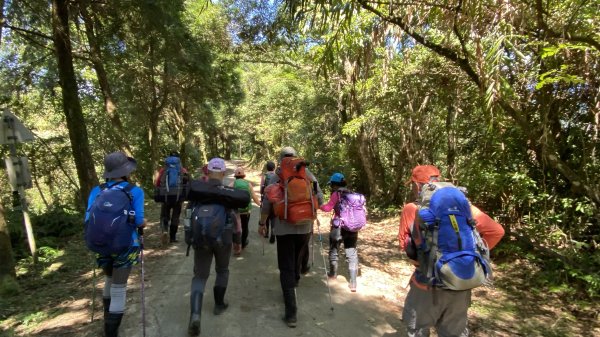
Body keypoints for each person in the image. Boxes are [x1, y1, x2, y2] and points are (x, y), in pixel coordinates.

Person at [398, 165, 505, 337]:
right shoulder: (464, 207)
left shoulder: (413, 208)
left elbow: (407, 247)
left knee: (417, 329)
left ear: (418, 185)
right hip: (461, 280)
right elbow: (497, 231)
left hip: (426, 285)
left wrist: (427, 260)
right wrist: (470, 255)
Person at [258, 146, 323, 328]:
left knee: (285, 266)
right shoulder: (308, 174)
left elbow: (266, 204)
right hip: (305, 226)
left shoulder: (275, 176)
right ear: (296, 158)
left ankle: (291, 313)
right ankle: (295, 280)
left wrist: (262, 224)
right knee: (297, 258)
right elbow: (320, 198)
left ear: (280, 159)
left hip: (283, 228)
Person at [85, 152, 146, 337]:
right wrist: (141, 224)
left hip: (100, 244)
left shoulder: (97, 190)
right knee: (119, 287)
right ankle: (111, 331)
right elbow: (139, 221)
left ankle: (106, 319)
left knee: (109, 280)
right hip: (125, 245)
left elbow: (87, 218)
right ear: (126, 171)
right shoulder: (134, 191)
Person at [187, 157, 242, 336]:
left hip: (201, 238)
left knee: (200, 276)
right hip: (223, 237)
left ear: (207, 172)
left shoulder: (197, 190)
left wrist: (189, 237)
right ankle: (219, 304)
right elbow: (235, 218)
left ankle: (195, 315)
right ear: (224, 173)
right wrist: (237, 239)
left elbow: (188, 215)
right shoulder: (227, 192)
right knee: (222, 270)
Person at [319, 172, 361, 292]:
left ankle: (332, 275)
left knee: (334, 250)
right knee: (351, 253)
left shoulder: (336, 194)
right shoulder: (352, 194)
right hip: (352, 228)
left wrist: (319, 205)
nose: (331, 187)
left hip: (338, 227)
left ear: (334, 184)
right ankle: (353, 282)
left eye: (331, 185)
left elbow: (327, 208)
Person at [154, 151, 189, 244]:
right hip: (178, 197)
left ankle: (165, 230)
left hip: (165, 196)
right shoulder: (183, 170)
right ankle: (173, 237)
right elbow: (187, 184)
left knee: (164, 214)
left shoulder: (163, 170)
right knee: (175, 217)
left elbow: (157, 183)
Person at [230, 167, 261, 252]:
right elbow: (254, 196)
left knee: (236, 227)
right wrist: (260, 204)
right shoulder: (248, 184)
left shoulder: (232, 184)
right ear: (244, 176)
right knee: (245, 227)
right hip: (246, 211)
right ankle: (243, 243)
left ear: (235, 176)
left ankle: (236, 245)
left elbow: (227, 195)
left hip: (236, 211)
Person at [260, 161, 277, 243]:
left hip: (266, 197)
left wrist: (261, 194)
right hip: (275, 198)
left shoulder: (265, 176)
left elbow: (261, 187)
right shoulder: (277, 176)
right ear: (274, 168)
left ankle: (266, 233)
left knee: (266, 215)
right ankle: (273, 232)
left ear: (267, 168)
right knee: (273, 216)